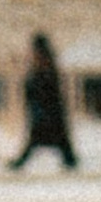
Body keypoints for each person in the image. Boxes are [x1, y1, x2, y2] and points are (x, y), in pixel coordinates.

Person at [10, 31, 77, 170]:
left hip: (47, 113)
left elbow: (44, 89)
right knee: (53, 140)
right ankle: (70, 160)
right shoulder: (46, 65)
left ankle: (70, 160)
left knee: (43, 138)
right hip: (48, 113)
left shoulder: (44, 66)